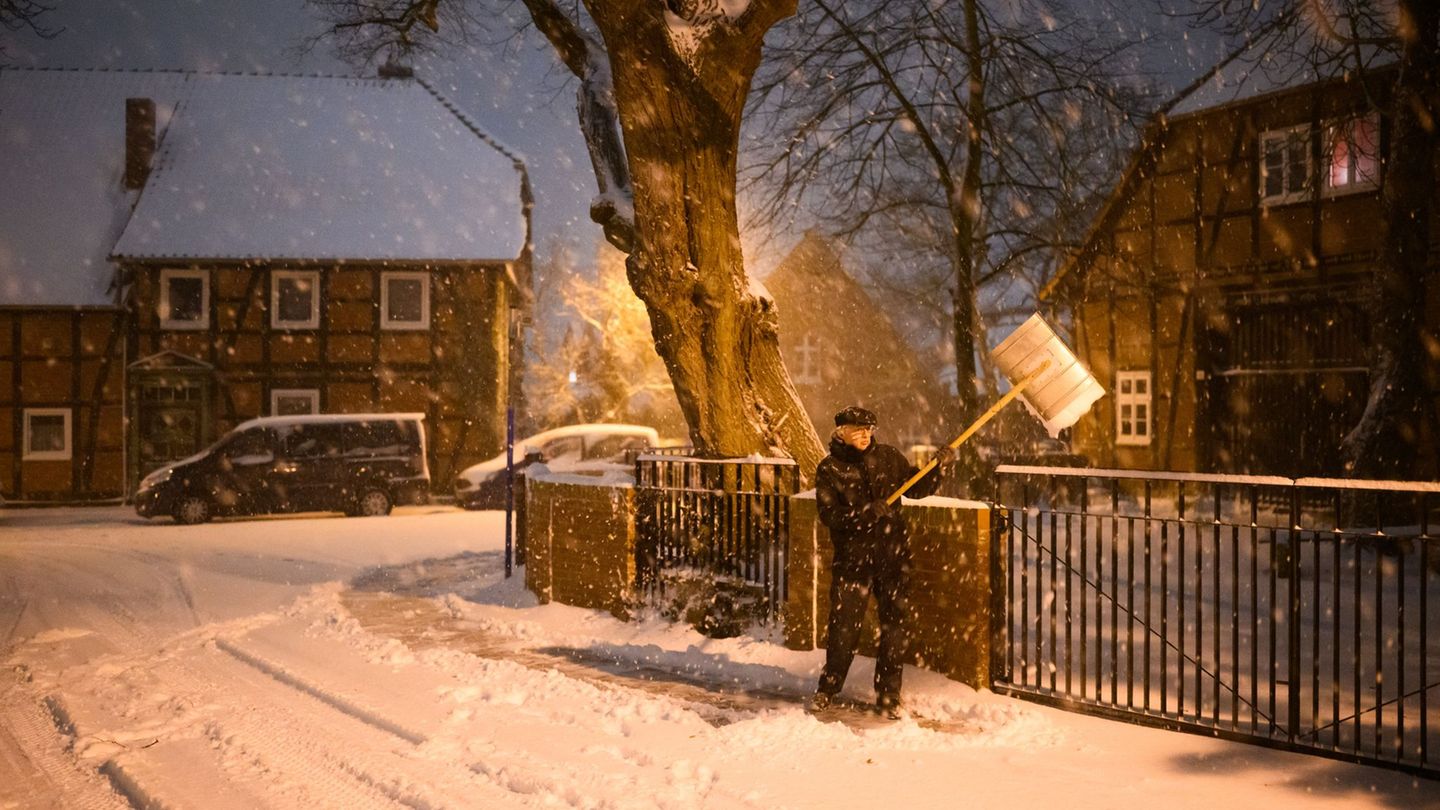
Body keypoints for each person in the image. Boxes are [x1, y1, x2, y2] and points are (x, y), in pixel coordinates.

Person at [811, 405, 951, 718]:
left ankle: (888, 696)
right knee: (844, 629)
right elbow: (829, 514)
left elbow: (916, 489)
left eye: (869, 429)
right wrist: (864, 514)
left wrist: (938, 468)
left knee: (894, 629)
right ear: (841, 432)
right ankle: (828, 688)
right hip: (853, 562)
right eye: (858, 430)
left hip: (892, 557)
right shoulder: (830, 468)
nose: (865, 435)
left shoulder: (888, 457)